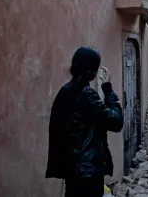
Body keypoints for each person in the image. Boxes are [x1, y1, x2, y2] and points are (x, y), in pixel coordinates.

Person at [46, 47, 124, 197]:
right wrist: (107, 88)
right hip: (87, 172)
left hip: (71, 170)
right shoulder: (87, 94)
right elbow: (116, 121)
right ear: (92, 72)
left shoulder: (65, 91)